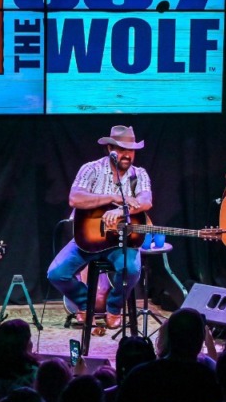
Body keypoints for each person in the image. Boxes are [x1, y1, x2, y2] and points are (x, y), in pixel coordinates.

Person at [47, 125, 152, 330]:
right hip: (88, 238)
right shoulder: (91, 169)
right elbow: (75, 198)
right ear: (110, 149)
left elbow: (146, 201)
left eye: (131, 151)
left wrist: (121, 211)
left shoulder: (138, 174)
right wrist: (111, 197)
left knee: (130, 270)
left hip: (120, 241)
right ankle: (86, 304)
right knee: (56, 273)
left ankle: (114, 308)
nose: (127, 155)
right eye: (122, 150)